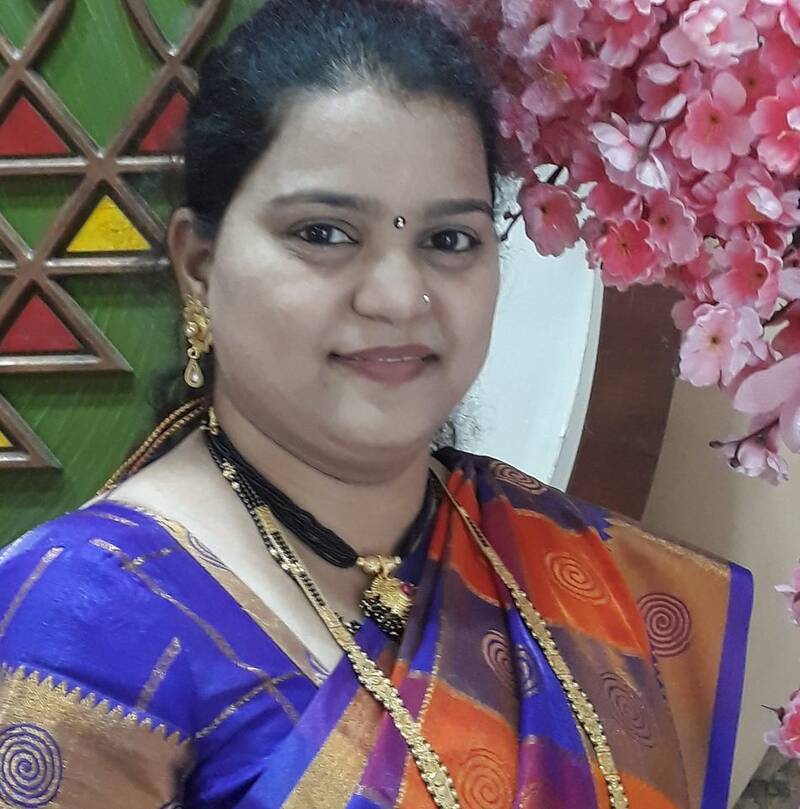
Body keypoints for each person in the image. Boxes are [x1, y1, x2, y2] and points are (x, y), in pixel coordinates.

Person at [0, 1, 752, 807]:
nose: (399, 296)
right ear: (199, 265)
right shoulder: (84, 622)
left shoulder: (565, 571)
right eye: (324, 233)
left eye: (449, 240)